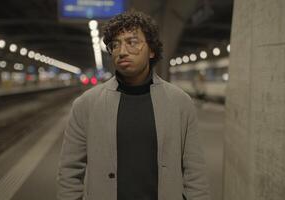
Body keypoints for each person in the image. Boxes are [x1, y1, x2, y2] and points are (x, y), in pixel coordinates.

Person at [58, 10, 210, 200]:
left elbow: (195, 173)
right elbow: (69, 172)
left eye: (132, 42)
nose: (122, 52)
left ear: (152, 50)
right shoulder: (86, 105)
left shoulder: (180, 103)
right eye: (115, 45)